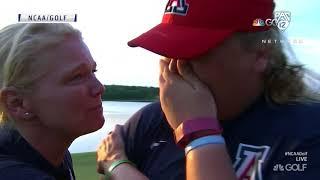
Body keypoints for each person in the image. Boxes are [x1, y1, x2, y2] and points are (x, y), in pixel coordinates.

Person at [96, 0, 320, 179]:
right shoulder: (150, 122)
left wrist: (199, 134)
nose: (175, 68)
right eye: (168, 50)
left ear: (261, 54)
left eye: (194, 51)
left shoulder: (307, 133)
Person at [0, 23, 105, 179]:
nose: (99, 88)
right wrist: (119, 164)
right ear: (17, 103)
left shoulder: (56, 156)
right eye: (77, 76)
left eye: (93, 71)